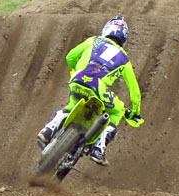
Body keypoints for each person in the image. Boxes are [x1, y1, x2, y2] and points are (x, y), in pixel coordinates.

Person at [37, 15, 143, 166]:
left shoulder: (93, 40)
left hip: (78, 80)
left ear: (106, 30)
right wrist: (136, 110)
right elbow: (134, 89)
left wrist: (77, 69)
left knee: (72, 104)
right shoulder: (124, 58)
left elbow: (70, 57)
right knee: (117, 111)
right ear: (124, 39)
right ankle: (99, 149)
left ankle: (48, 129)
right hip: (98, 88)